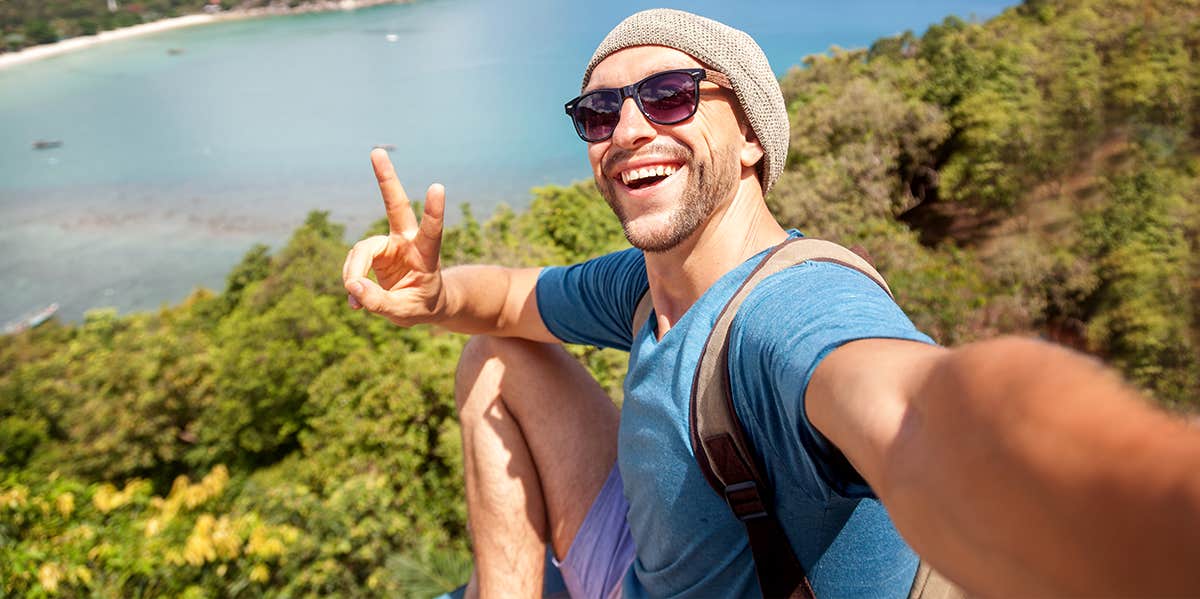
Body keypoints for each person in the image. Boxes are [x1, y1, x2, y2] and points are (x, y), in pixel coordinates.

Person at [342, 9, 1200, 599]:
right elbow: (512, 299)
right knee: (494, 353)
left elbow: (917, 407)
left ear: (751, 135)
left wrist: (1134, 494)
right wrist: (434, 293)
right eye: (599, 113)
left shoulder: (787, 312)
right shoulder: (644, 285)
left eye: (671, 95)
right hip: (644, 563)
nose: (630, 129)